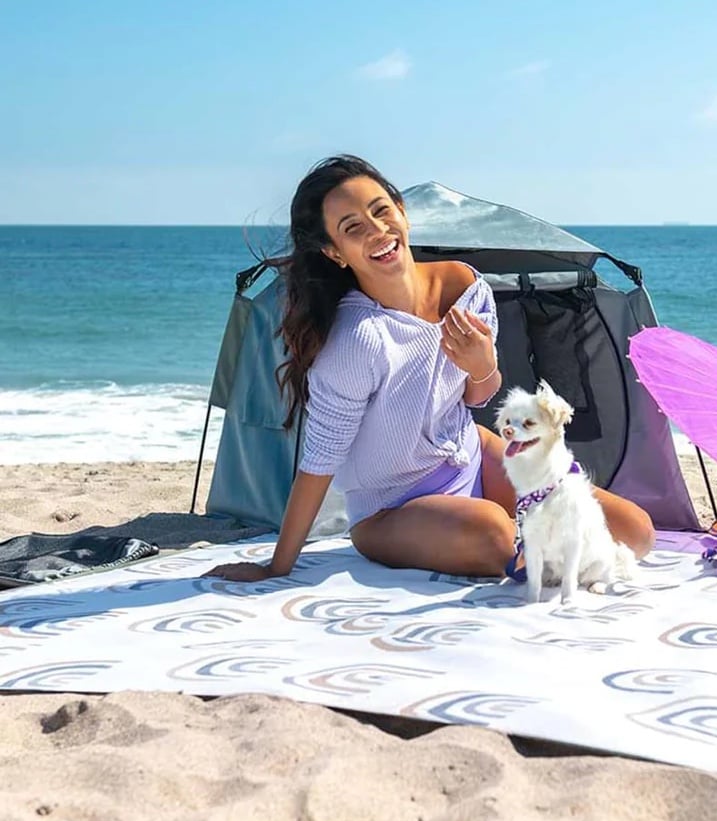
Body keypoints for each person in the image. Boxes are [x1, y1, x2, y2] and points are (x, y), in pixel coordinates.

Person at [204, 155, 654, 583]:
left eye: (382, 211)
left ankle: (539, 543)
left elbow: (478, 396)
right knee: (493, 535)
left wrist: (483, 367)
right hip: (391, 508)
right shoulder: (356, 340)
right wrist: (277, 566)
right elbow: (319, 460)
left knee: (635, 532)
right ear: (335, 252)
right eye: (353, 228)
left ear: (402, 211)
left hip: (473, 457)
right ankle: (530, 547)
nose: (378, 231)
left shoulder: (465, 286)